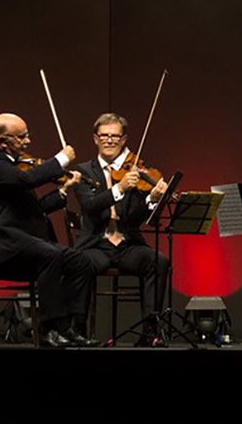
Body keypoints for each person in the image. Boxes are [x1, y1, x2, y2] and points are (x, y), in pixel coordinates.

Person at [0, 113, 95, 347]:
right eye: (21, 137)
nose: (27, 141)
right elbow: (26, 180)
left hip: (24, 243)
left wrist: (63, 190)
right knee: (51, 255)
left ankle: (68, 327)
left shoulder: (11, 167)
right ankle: (47, 329)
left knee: (80, 261)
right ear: (3, 140)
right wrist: (60, 159)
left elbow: (35, 209)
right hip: (4, 246)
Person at [72, 113, 170, 345]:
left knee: (159, 261)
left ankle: (150, 333)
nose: (109, 140)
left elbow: (134, 218)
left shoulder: (135, 170)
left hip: (127, 245)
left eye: (115, 136)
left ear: (124, 139)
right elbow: (90, 205)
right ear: (95, 138)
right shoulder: (84, 171)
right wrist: (120, 188)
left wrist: (151, 200)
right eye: (104, 135)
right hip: (96, 244)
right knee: (78, 263)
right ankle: (77, 333)